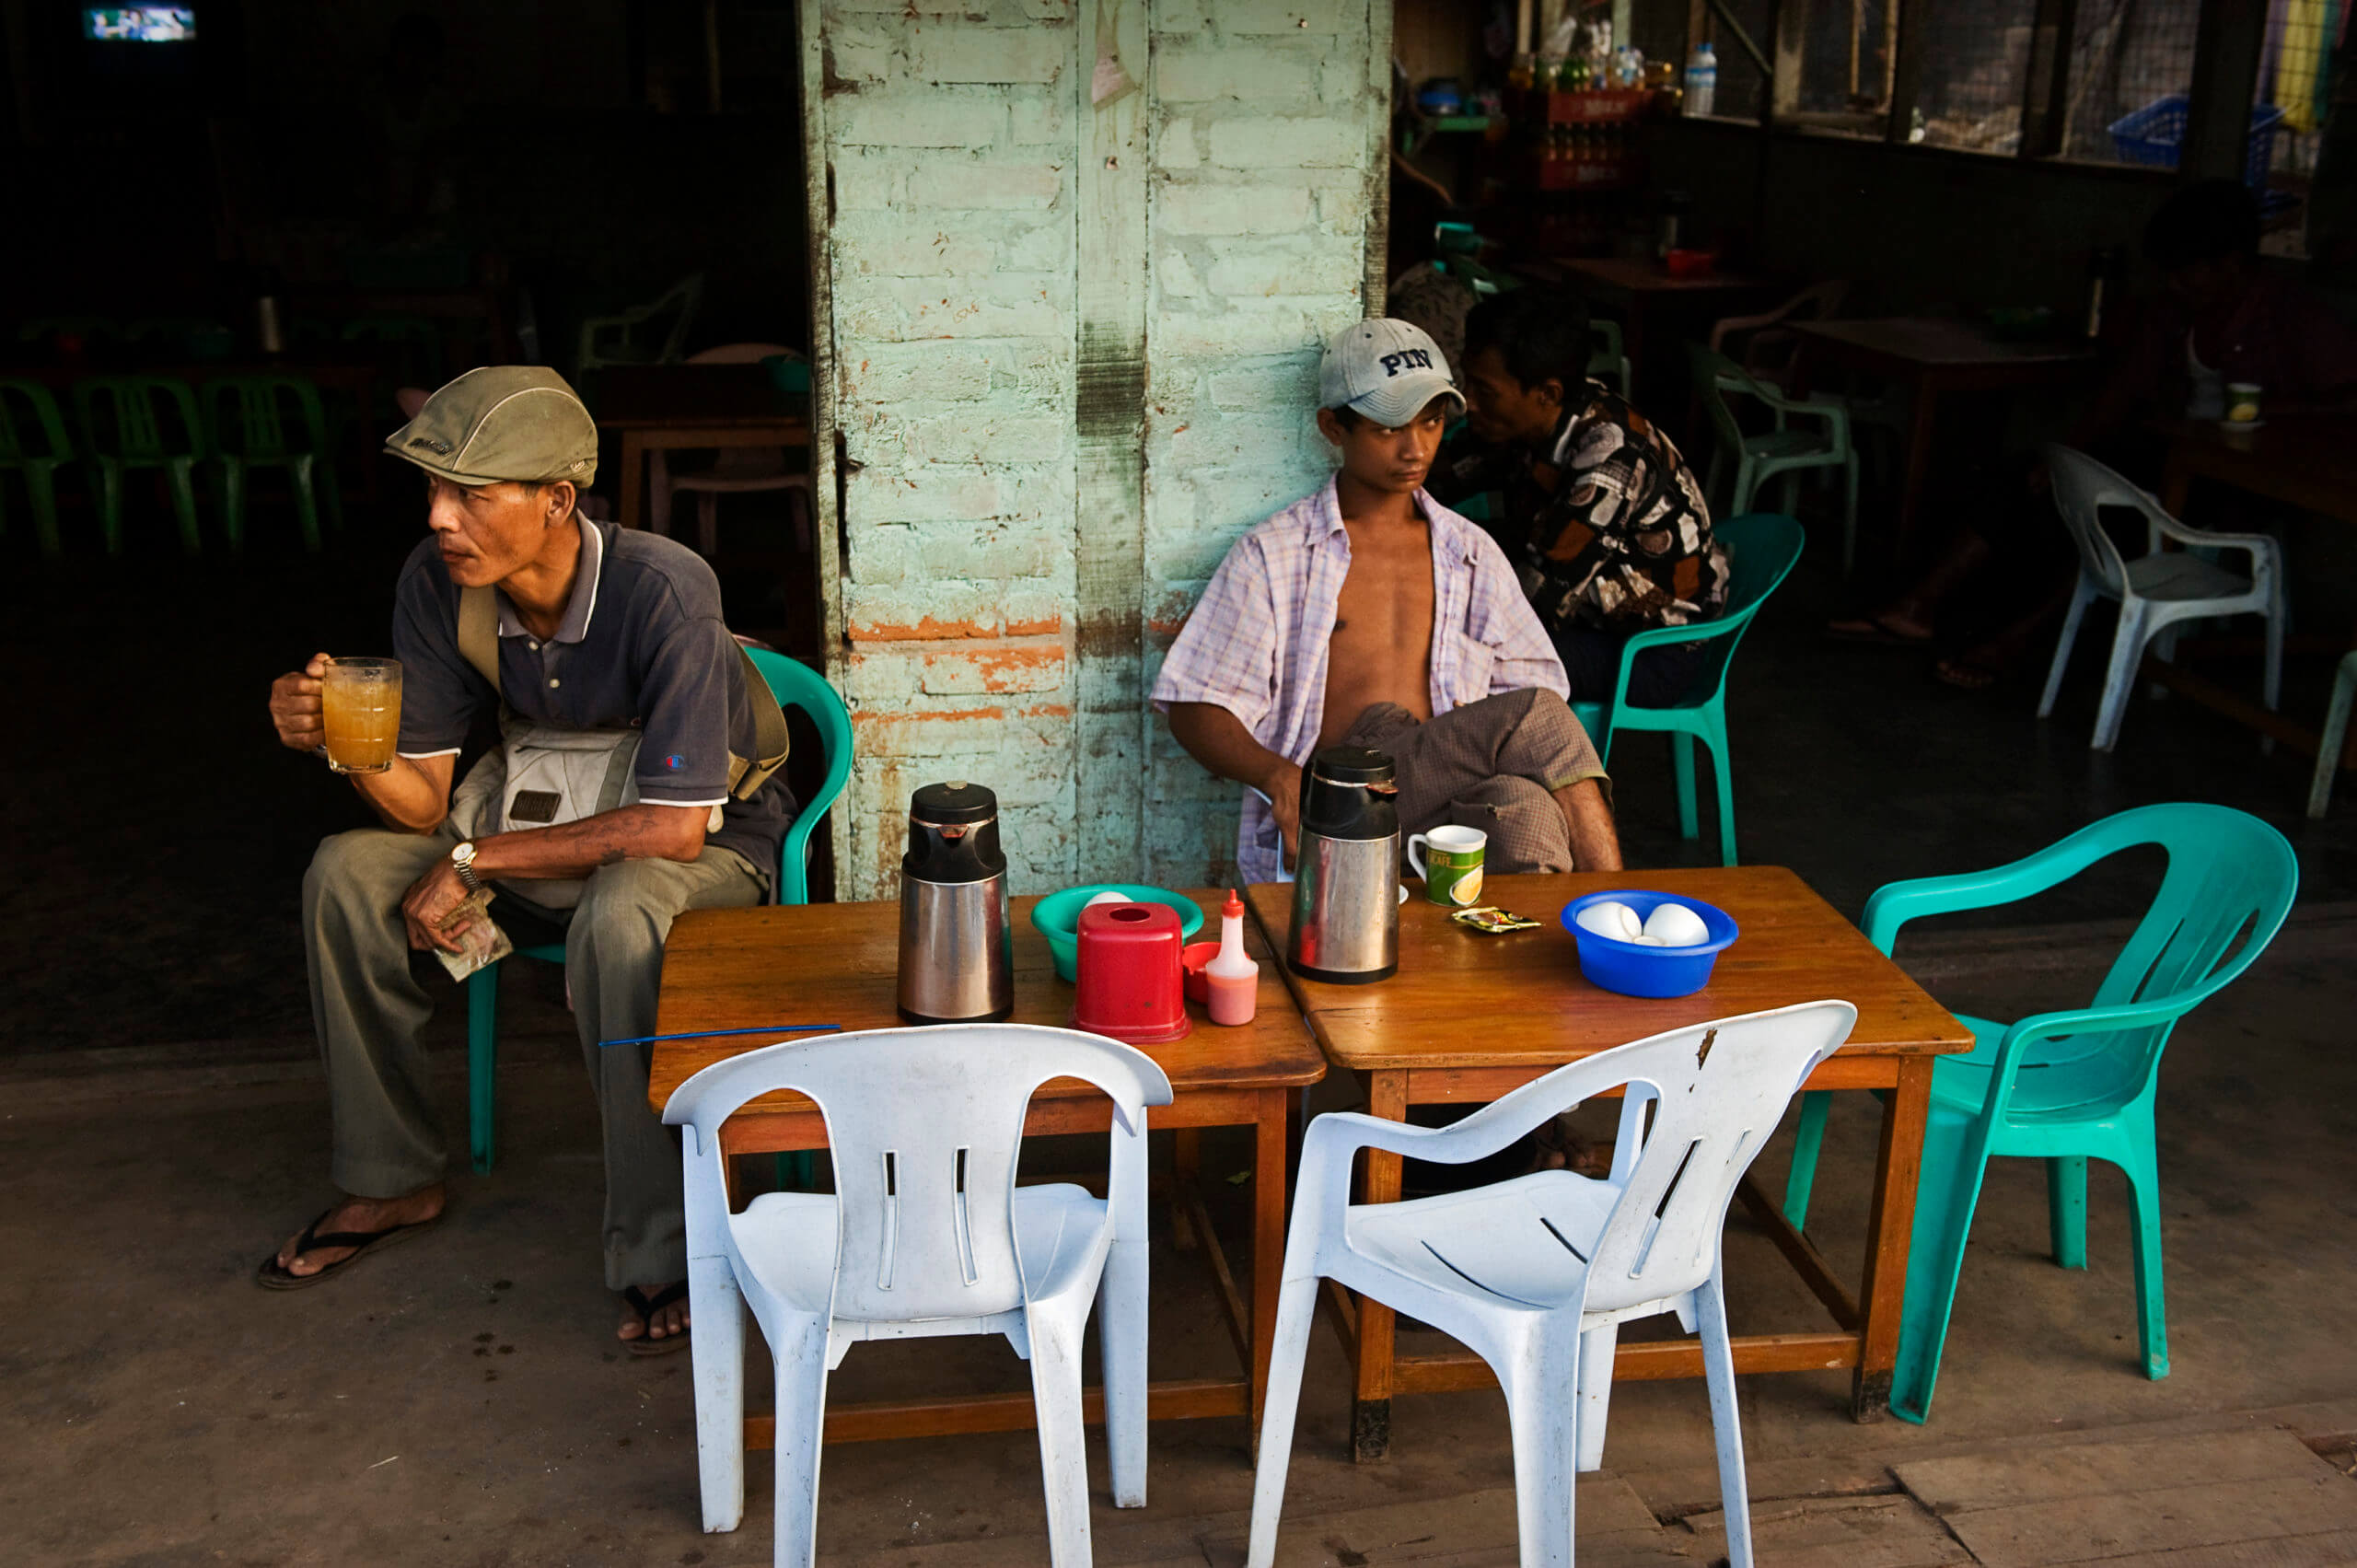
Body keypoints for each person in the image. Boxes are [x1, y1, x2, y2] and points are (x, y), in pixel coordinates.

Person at [258, 367, 796, 1355]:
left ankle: (658, 1240)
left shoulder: (663, 587)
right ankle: (391, 1177)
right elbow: (419, 798)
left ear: (557, 500)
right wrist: (343, 739)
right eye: (433, 491)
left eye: (470, 492)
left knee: (623, 909)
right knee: (344, 869)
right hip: (529, 825)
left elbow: (675, 829)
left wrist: (473, 857)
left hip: (702, 850)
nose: (439, 517)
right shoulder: (437, 584)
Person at [1832, 179, 2357, 687]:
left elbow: (2347, 396)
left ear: (2231, 264)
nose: (2174, 285)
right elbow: (2122, 393)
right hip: (2168, 454)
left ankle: (2018, 642)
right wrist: (2064, 457)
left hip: (2236, 480)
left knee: (2121, 523)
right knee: (2028, 477)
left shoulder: (2294, 316)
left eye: (2186, 272)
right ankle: (1916, 608)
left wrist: (2276, 411)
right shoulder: (2175, 314)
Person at [1153, 319, 1621, 886]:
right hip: (1342, 801)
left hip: (1444, 801)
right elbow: (1195, 707)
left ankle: (1511, 968)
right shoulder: (1276, 554)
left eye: (1432, 422)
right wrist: (1280, 777)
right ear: (1334, 427)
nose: (1416, 448)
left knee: (1524, 808)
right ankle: (1615, 912)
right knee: (1539, 717)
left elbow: (1525, 689)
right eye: (1388, 428)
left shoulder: (1471, 553)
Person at [1431, 287, 1729, 706]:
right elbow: (1440, 478)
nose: (1470, 403)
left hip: (1650, 652)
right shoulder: (1536, 416)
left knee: (1456, 655)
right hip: (1588, 618)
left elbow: (1537, 600)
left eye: (1484, 390)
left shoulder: (1611, 458)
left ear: (1547, 393)